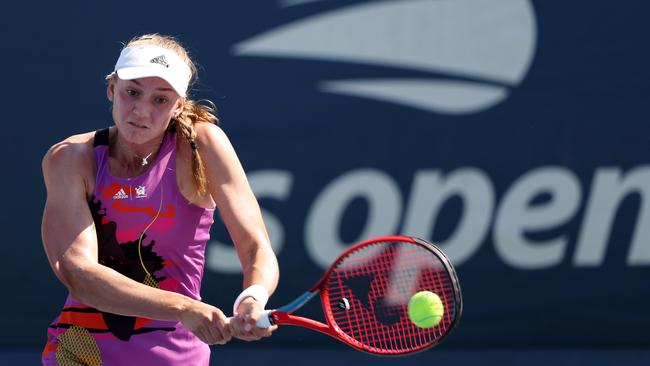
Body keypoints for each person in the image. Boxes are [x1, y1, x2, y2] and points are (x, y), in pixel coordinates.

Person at [40, 34, 279, 365]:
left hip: (176, 356)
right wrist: (182, 307)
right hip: (79, 352)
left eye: (160, 100)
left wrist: (253, 296)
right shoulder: (70, 158)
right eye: (132, 92)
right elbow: (79, 274)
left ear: (179, 105)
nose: (141, 110)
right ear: (112, 89)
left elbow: (256, 248)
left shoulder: (202, 144)